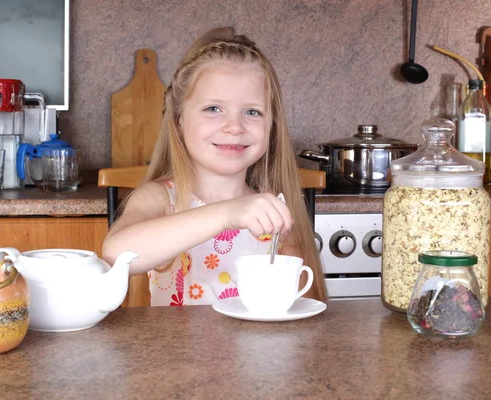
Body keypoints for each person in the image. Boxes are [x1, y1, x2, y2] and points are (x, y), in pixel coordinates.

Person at [102, 26, 326, 306]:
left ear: (272, 126)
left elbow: (295, 305)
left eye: (253, 112)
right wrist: (225, 214)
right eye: (213, 109)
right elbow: (115, 255)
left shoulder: (274, 213)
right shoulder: (160, 199)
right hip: (173, 351)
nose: (234, 126)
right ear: (179, 119)